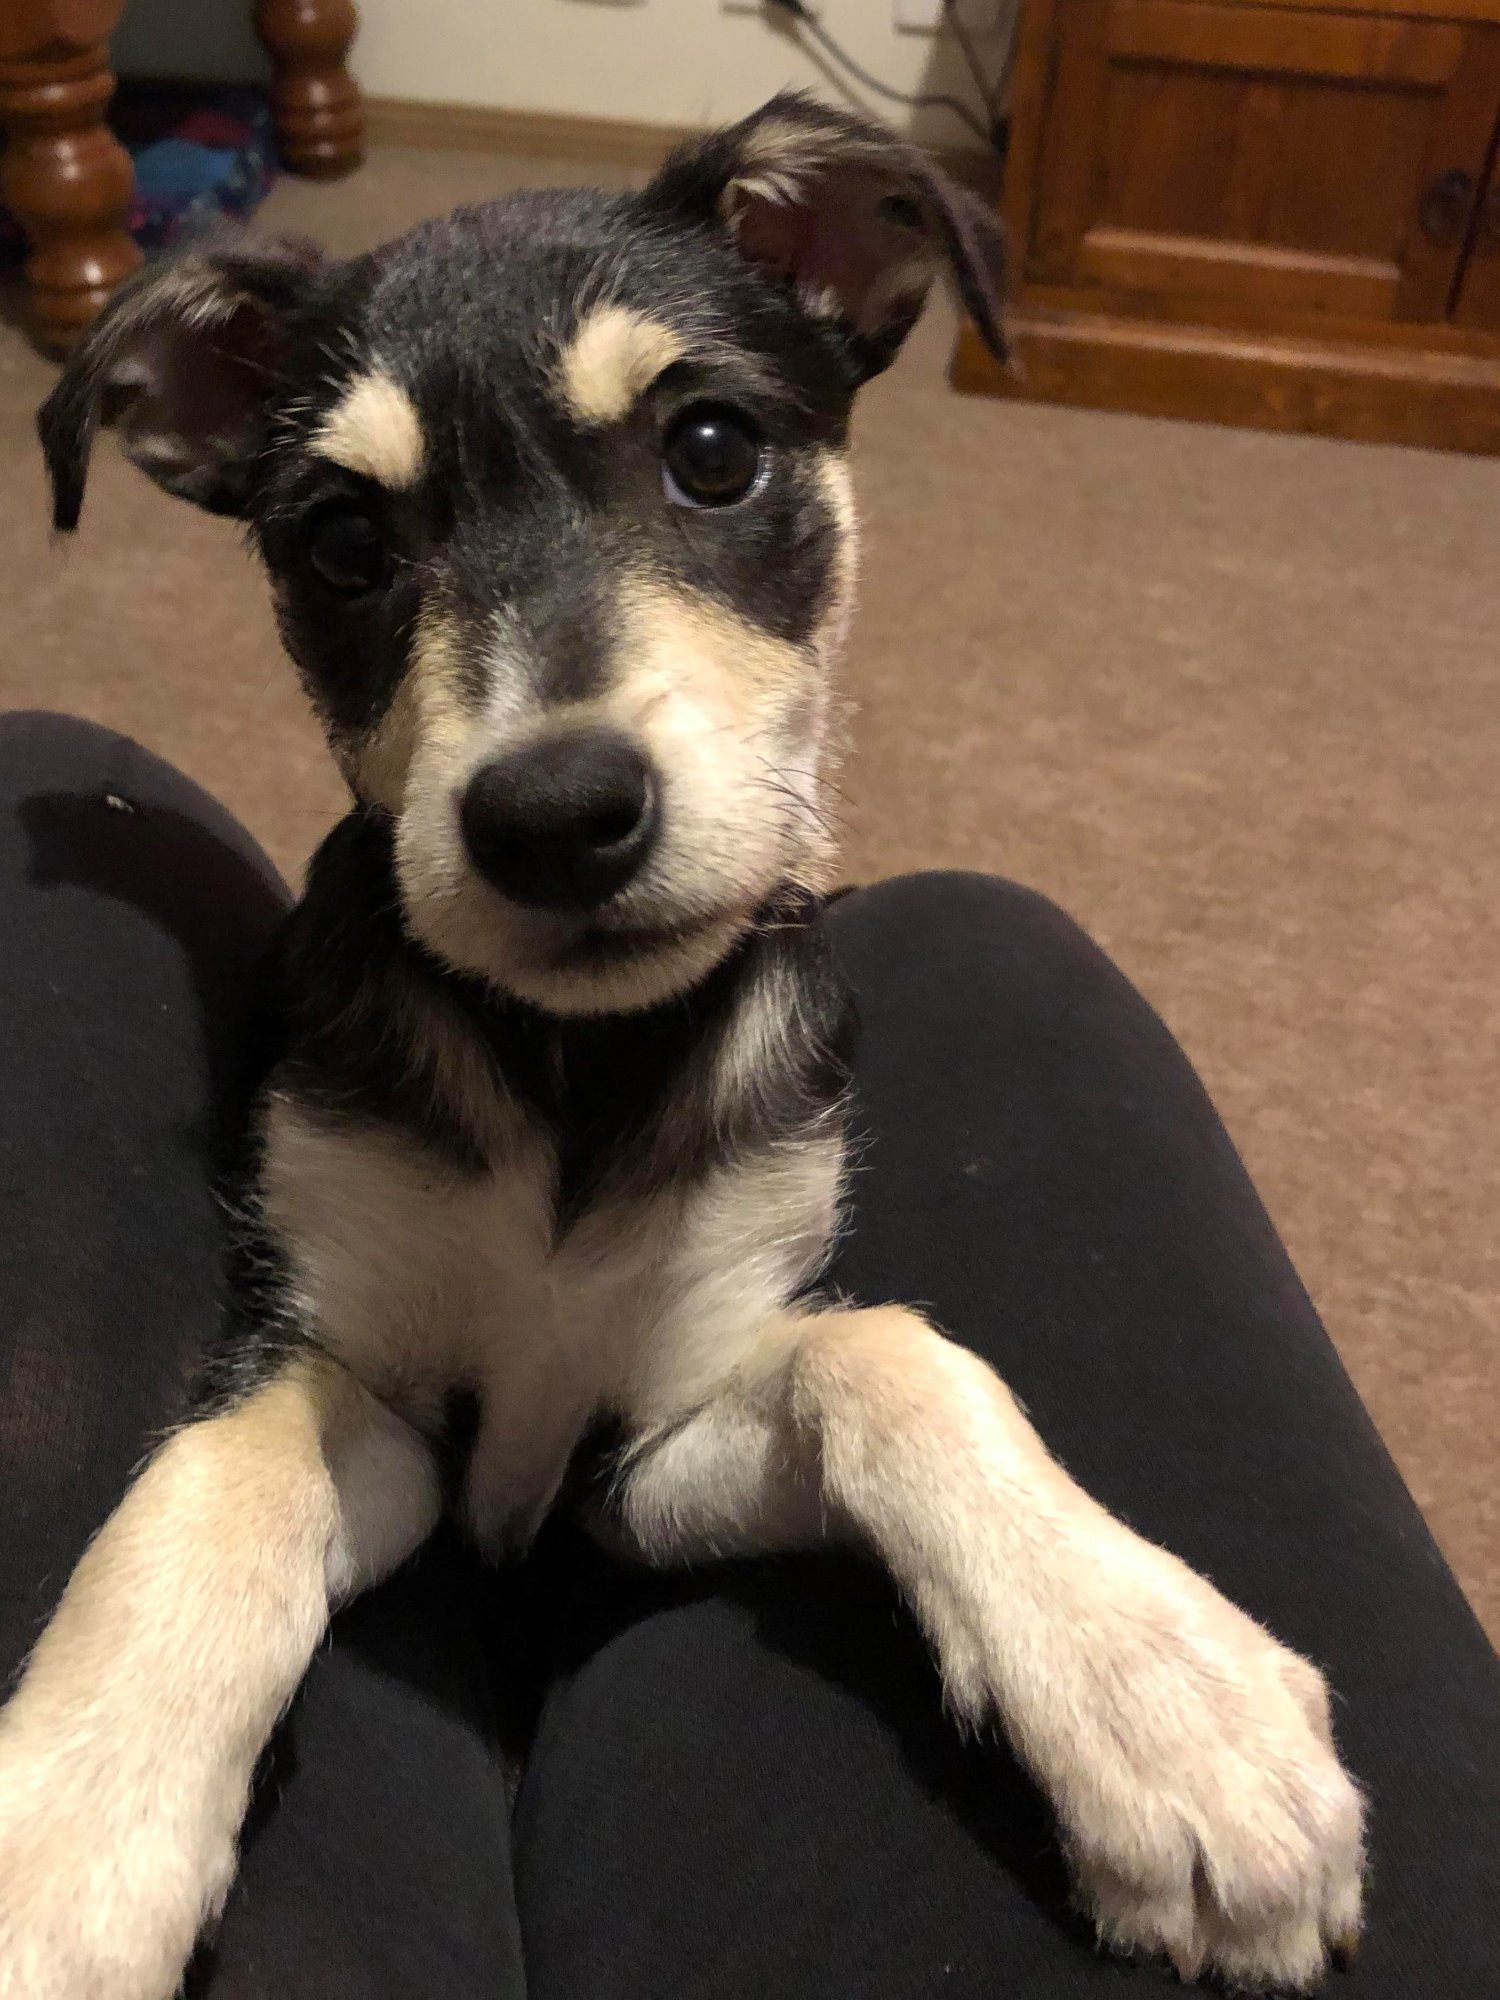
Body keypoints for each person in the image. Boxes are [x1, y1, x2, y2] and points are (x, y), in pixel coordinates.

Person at [1, 709, 1495, 2000]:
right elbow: (346, 1413)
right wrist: (161, 1673)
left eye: (711, 479)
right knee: (975, 936)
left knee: (923, 1165)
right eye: (355, 548)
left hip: (627, 1535)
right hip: (402, 1511)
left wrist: (934, 1446)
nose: (557, 782)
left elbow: (674, 1446)